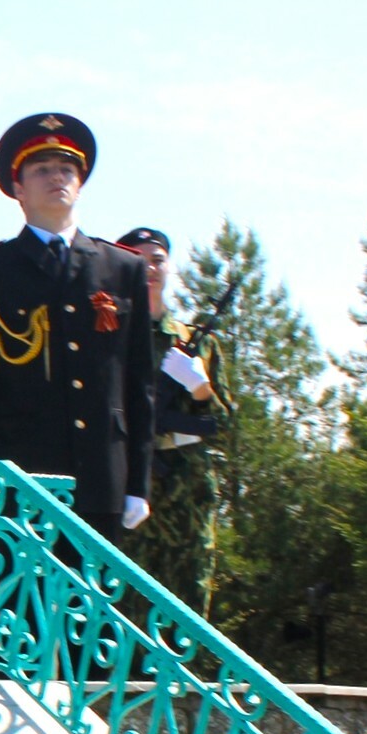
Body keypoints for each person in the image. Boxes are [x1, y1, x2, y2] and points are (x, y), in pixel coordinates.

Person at [0, 113, 155, 542]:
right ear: (19, 190)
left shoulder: (122, 268)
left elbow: (139, 387)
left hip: (104, 480)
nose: (57, 177)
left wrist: (139, 482)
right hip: (22, 481)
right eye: (42, 169)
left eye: (66, 169)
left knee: (98, 588)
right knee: (29, 589)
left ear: (80, 185)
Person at [113, 226, 228, 609]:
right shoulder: (111, 339)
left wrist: (200, 388)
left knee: (189, 604)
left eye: (157, 260)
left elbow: (226, 426)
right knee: (125, 605)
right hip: (131, 484)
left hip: (187, 491)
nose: (150, 268)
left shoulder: (197, 342)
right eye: (139, 260)